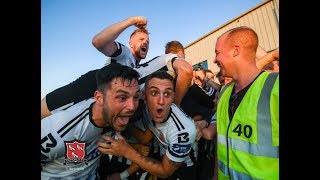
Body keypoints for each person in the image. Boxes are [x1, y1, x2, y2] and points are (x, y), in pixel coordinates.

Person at [41, 63, 141, 179]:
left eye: (136, 97)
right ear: (99, 98)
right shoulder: (58, 132)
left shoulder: (114, 116)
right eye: (122, 97)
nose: (132, 106)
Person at [97, 71, 197, 179]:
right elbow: (145, 138)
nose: (161, 101)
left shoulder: (182, 132)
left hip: (183, 168)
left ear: (173, 97)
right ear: (144, 96)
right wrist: (125, 123)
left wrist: (126, 151)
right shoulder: (146, 108)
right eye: (154, 93)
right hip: (163, 155)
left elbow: (165, 171)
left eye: (167, 94)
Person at [212, 26, 279, 179]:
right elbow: (221, 143)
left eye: (217, 53)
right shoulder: (224, 92)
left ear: (236, 50)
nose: (214, 60)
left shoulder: (275, 88)